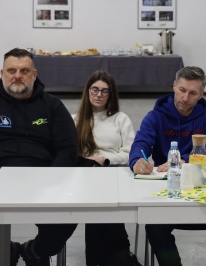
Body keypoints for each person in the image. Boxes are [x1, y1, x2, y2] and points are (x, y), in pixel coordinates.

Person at [0, 48, 78, 266]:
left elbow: (68, 149)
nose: (17, 76)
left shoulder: (53, 106)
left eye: (24, 71)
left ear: (34, 74)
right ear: (2, 73)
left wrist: (52, 181)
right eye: (11, 70)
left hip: (44, 182)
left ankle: (36, 251)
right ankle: (4, 253)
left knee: (71, 213)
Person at [129, 66, 206, 266]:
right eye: (182, 90)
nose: (185, 98)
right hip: (168, 190)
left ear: (201, 94)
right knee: (154, 225)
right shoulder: (155, 117)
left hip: (204, 188)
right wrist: (136, 160)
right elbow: (141, 142)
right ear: (174, 86)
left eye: (193, 93)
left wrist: (183, 161)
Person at [72, 71, 139, 266]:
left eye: (104, 91)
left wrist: (105, 160)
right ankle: (121, 254)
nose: (99, 94)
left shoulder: (120, 119)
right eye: (95, 89)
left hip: (114, 174)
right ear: (88, 91)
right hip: (86, 176)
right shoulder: (75, 120)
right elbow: (68, 154)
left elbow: (130, 154)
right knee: (98, 205)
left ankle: (104, 258)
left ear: (111, 94)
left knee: (101, 207)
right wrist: (89, 162)